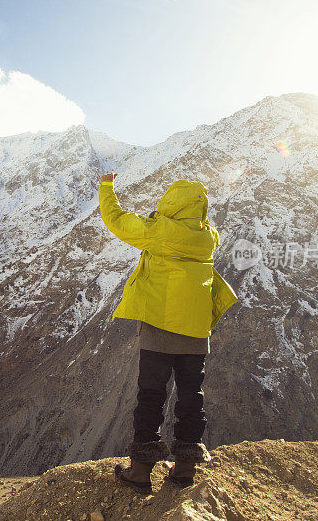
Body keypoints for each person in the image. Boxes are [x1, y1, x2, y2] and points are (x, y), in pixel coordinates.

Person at [97, 172, 238, 495]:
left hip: (159, 327)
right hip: (196, 330)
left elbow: (117, 220)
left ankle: (141, 471)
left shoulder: (159, 231)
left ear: (170, 203)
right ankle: (184, 469)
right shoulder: (209, 236)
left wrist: (107, 186)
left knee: (151, 396)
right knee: (192, 398)